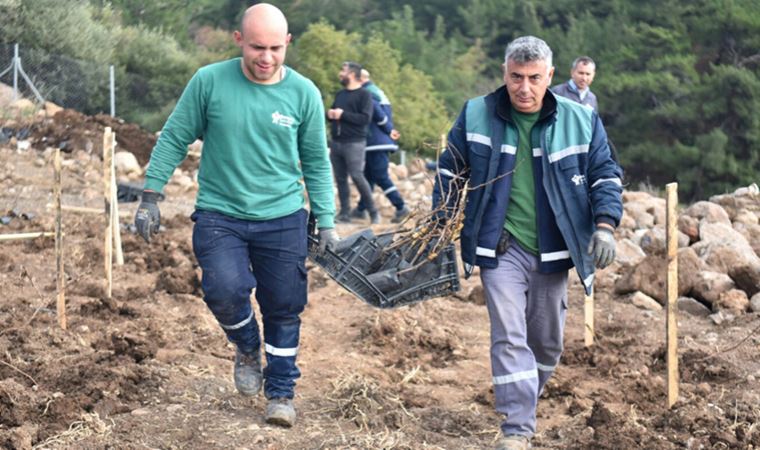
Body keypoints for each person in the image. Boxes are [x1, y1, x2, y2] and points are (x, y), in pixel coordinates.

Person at [133, 3, 339, 428]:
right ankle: (247, 345)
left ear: (288, 44)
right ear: (239, 40)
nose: (266, 58)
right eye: (257, 47)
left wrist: (327, 220)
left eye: (275, 49)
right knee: (223, 290)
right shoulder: (209, 82)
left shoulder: (304, 94)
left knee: (284, 306)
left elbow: (317, 162)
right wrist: (151, 195)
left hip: (282, 216)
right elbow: (174, 137)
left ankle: (281, 393)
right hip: (220, 213)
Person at [433, 36, 622, 450]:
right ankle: (517, 428)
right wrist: (440, 227)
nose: (524, 87)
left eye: (534, 78)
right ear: (505, 73)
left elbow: (605, 174)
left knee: (546, 344)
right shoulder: (476, 114)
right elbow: (450, 172)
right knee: (508, 335)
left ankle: (524, 399)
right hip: (500, 247)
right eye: (516, 77)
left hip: (554, 251)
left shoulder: (580, 119)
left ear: (550, 76)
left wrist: (605, 225)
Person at [351, 69, 410, 223]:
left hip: (375, 143)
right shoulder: (376, 90)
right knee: (368, 178)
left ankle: (401, 206)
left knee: (381, 177)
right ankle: (360, 209)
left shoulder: (367, 93)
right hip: (377, 143)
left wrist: (389, 130)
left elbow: (379, 114)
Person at [327, 62, 378, 224]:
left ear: (354, 75)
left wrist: (343, 115)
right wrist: (330, 114)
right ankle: (344, 213)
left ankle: (373, 212)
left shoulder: (365, 95)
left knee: (357, 175)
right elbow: (335, 114)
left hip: (355, 143)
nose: (341, 73)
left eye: (344, 71)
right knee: (340, 179)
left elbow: (365, 119)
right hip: (336, 143)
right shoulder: (340, 94)